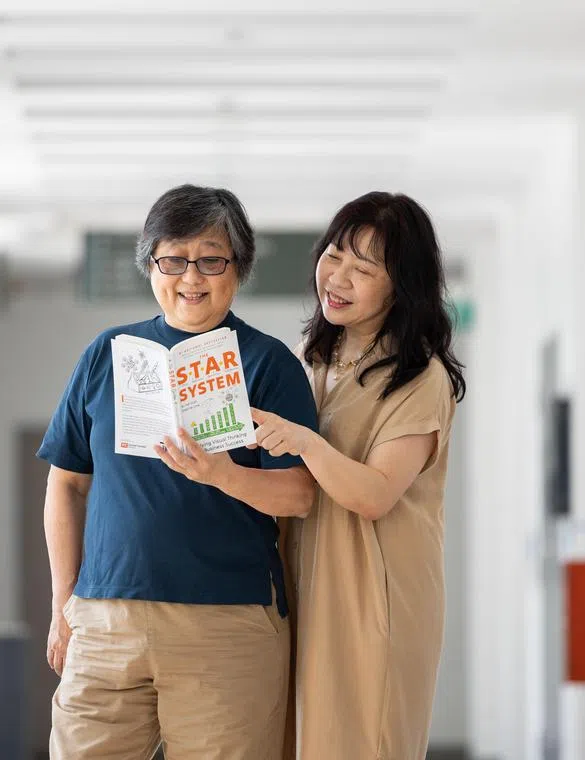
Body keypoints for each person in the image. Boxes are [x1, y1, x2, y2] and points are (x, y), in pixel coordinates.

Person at [38, 184, 318, 760]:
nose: (192, 277)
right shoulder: (106, 354)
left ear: (238, 268)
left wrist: (220, 474)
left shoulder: (269, 364)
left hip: (226, 625)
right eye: (174, 259)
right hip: (103, 620)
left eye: (212, 260)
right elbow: (65, 483)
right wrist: (64, 604)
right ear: (151, 265)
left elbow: (299, 495)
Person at [247, 192, 467, 760]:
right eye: (334, 255)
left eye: (364, 269)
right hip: (305, 586)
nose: (338, 278)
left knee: (365, 741)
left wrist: (303, 441)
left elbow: (374, 494)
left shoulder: (420, 378)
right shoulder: (311, 356)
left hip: (373, 595)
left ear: (402, 287)